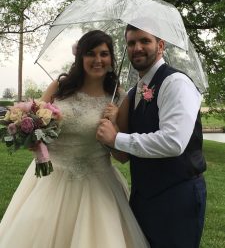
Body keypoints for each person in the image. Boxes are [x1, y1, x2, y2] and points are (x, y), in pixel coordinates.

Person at [0, 30, 150, 248]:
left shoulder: (119, 98)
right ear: (80, 57)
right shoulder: (59, 87)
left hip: (97, 185)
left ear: (111, 59)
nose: (97, 60)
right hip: (50, 179)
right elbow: (36, 127)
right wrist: (33, 140)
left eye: (104, 54)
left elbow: (123, 156)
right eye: (90, 53)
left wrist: (113, 128)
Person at [96, 25, 207, 248]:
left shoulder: (176, 83)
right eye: (131, 43)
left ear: (161, 46)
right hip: (143, 196)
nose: (137, 48)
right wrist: (114, 124)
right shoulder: (135, 90)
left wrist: (116, 139)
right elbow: (124, 154)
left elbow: (173, 142)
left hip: (177, 198)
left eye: (145, 41)